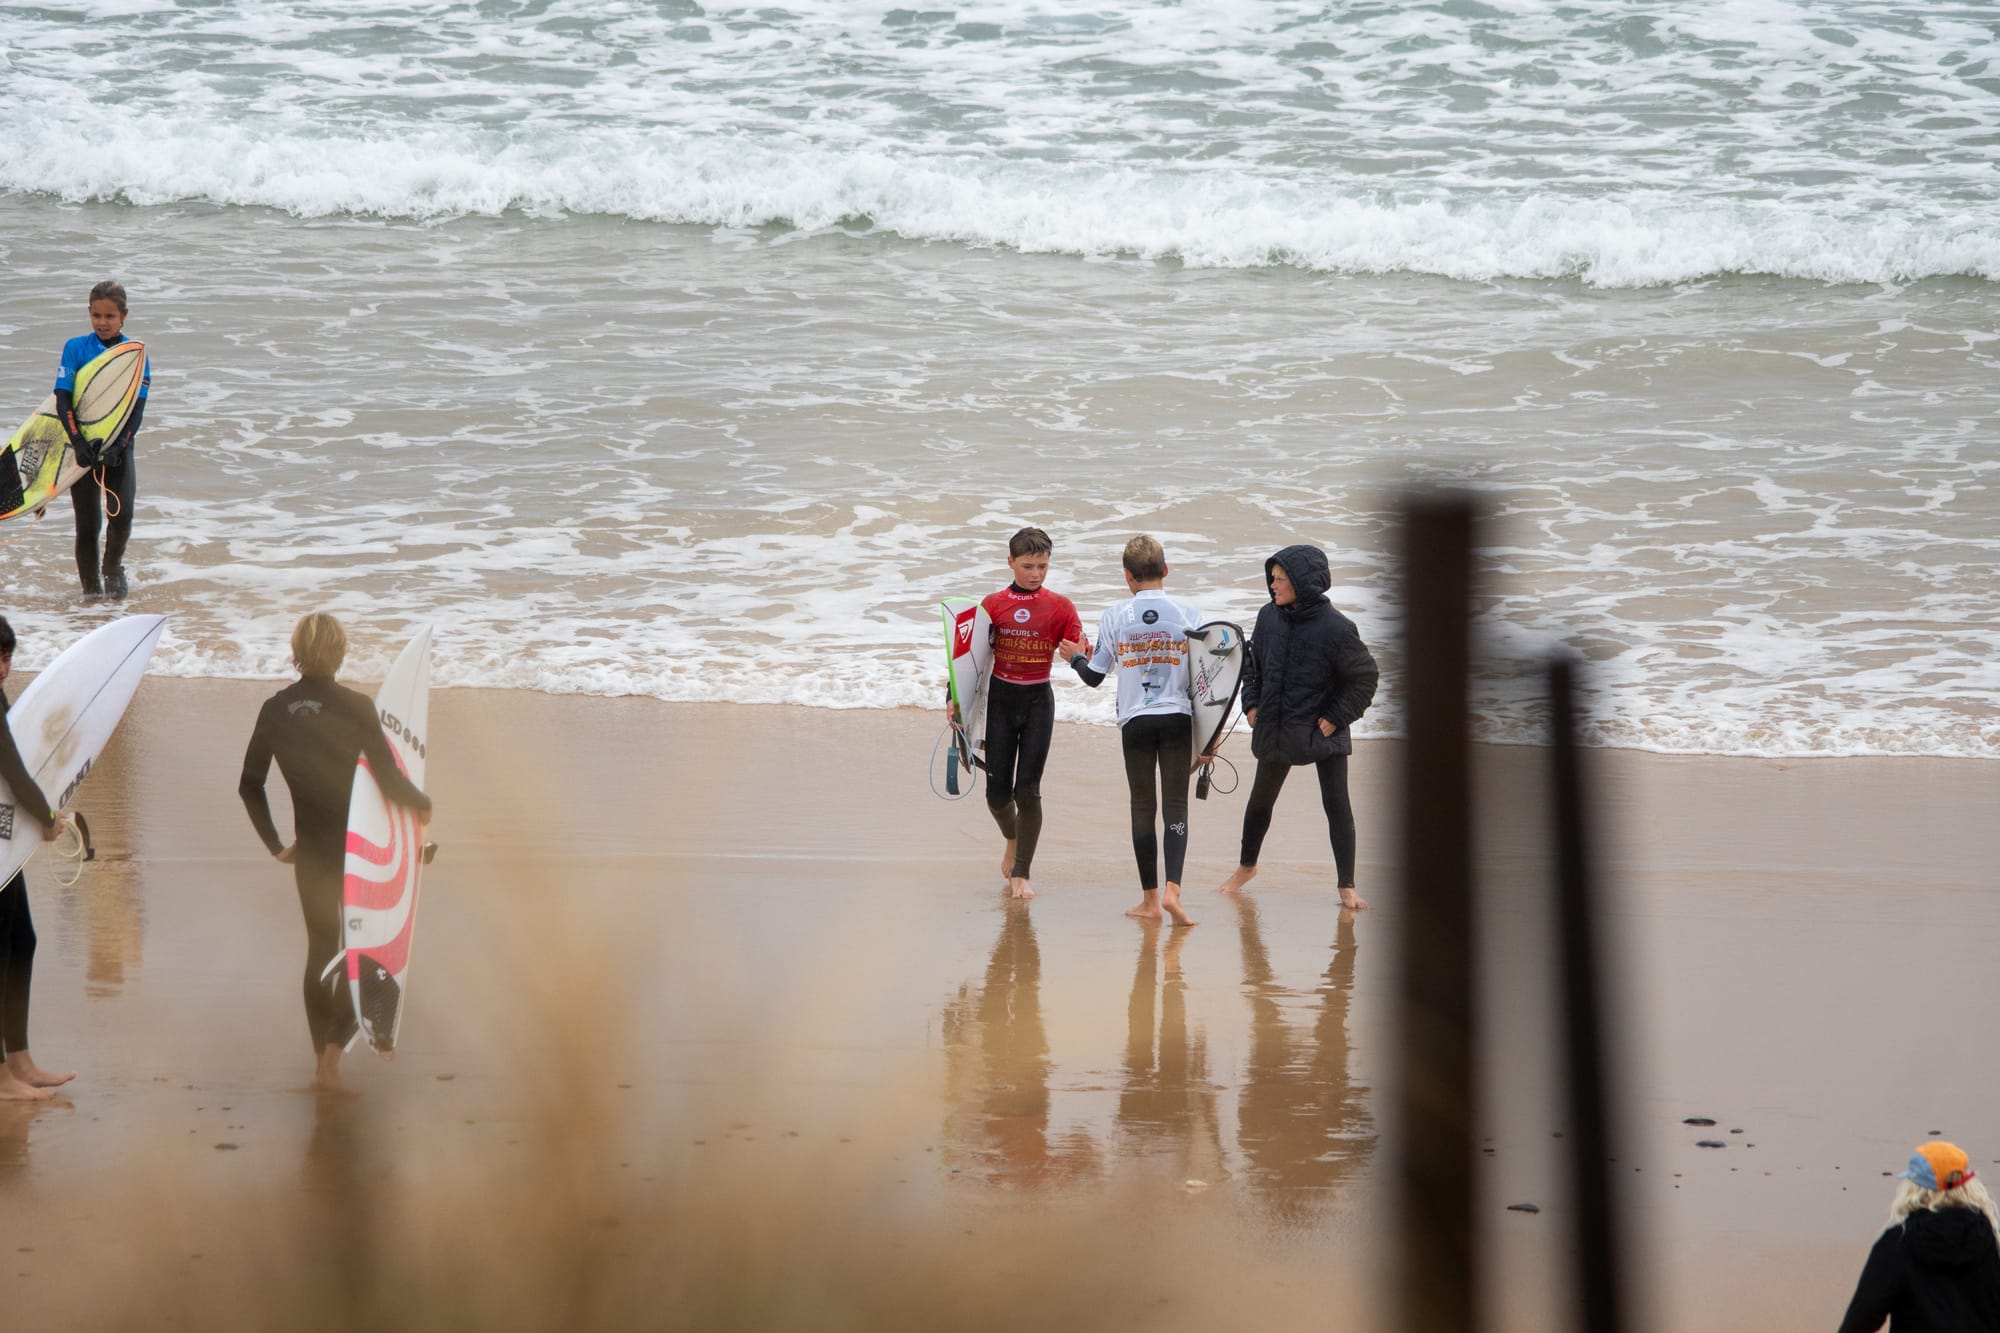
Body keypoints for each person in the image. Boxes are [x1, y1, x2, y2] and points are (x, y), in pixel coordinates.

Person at [238, 613, 432, 1093]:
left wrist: (277, 846)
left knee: (320, 951)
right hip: (359, 852)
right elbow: (388, 783)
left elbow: (249, 786)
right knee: (361, 950)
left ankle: (322, 1065)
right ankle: (331, 1058)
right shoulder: (357, 708)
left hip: (313, 852)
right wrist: (422, 806)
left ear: (297, 650)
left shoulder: (275, 709)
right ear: (341, 653)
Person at [1214, 545, 1378, 911]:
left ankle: (1346, 887)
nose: (1272, 585)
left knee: (1336, 805)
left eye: (1280, 578)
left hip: (1325, 729)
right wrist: (1252, 703)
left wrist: (1337, 716)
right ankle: (1246, 867)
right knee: (1260, 801)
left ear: (1302, 582)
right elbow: (1252, 665)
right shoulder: (1268, 617)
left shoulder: (1338, 628)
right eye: (1271, 577)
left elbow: (1365, 678)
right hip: (1278, 723)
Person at [1059, 535, 1202, 927]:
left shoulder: (1115, 616)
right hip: (1178, 717)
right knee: (1176, 806)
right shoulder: (1190, 613)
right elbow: (1208, 680)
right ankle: (1174, 889)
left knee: (1143, 807)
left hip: (1136, 721)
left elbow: (1093, 677)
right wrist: (1212, 734)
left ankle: (1150, 901)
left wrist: (1074, 659)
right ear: (1166, 571)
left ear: (1127, 576)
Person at [960, 527, 1083, 900]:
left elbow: (1080, 647)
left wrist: (1079, 651)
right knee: (997, 796)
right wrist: (954, 697)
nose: (1036, 573)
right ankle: (1011, 838)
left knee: (1027, 792)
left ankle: (1021, 872)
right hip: (1001, 700)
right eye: (1028, 566)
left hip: (1038, 702)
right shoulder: (993, 604)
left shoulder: (1060, 606)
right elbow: (970, 660)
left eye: (1043, 566)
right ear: (1010, 562)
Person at [0, 616, 76, 1101]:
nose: (4, 667)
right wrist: (47, 816)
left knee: (21, 941)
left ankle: (20, 1060)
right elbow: (9, 766)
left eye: (8, 657)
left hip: (3, 836)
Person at [1838, 1140, 2000, 1332]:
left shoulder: (1899, 1242)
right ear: (1966, 1185)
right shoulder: (1984, 1236)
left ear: (1914, 1188)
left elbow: (1860, 1320)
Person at [56, 280, 150, 601]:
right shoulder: (75, 348)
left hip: (119, 450)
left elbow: (136, 410)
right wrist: (78, 443)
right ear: (89, 314)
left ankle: (112, 568)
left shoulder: (135, 356)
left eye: (110, 316)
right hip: (80, 447)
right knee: (88, 525)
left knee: (121, 517)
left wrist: (119, 447)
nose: (102, 322)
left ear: (123, 316)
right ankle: (91, 595)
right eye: (96, 315)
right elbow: (63, 400)